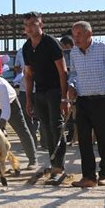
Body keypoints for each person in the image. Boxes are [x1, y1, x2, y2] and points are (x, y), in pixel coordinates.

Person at [68, 21, 105, 187]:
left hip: (103, 101)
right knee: (84, 140)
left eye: (79, 34)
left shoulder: (104, 49)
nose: (75, 39)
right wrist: (71, 85)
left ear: (89, 34)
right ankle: (88, 177)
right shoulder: (74, 52)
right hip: (82, 101)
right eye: (74, 35)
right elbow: (73, 73)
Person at [22, 11, 69, 185]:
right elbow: (28, 75)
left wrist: (64, 98)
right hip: (39, 92)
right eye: (27, 25)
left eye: (34, 23)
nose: (30, 27)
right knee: (46, 129)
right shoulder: (27, 47)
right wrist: (28, 99)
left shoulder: (51, 43)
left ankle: (59, 168)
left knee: (56, 127)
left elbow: (62, 71)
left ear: (41, 25)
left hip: (55, 91)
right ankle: (53, 163)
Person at [14, 47, 45, 149]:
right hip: (24, 88)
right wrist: (20, 70)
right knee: (26, 117)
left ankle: (45, 142)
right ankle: (32, 143)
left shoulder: (43, 48)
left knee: (43, 116)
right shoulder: (20, 51)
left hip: (41, 88)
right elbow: (17, 67)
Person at [59, 35, 76, 144]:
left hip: (72, 86)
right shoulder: (70, 54)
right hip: (69, 85)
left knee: (71, 112)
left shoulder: (71, 54)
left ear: (67, 45)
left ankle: (72, 135)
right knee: (70, 112)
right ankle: (72, 135)